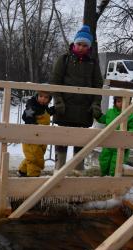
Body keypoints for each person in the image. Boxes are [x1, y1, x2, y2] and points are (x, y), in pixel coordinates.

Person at [50, 24, 103, 171]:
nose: (81, 47)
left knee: (81, 140)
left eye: (84, 45)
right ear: (74, 43)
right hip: (65, 108)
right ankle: (58, 169)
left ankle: (77, 171)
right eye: (79, 44)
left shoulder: (93, 63)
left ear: (89, 47)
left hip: (84, 110)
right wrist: (58, 102)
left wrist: (95, 104)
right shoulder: (64, 59)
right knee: (62, 139)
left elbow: (98, 85)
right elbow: (55, 81)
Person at [97, 97, 133, 176]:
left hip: (120, 146)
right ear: (115, 102)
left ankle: (113, 180)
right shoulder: (110, 112)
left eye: (124, 101)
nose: (121, 104)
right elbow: (104, 119)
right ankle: (103, 177)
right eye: (119, 101)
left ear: (129, 102)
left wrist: (126, 138)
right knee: (104, 162)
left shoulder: (132, 116)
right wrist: (98, 116)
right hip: (108, 144)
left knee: (116, 164)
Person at [18, 91, 55, 177]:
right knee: (35, 158)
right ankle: (33, 176)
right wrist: (34, 125)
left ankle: (23, 171)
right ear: (36, 96)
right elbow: (27, 117)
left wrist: (55, 109)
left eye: (46, 97)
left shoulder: (44, 107)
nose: (43, 99)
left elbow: (48, 112)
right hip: (31, 138)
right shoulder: (32, 106)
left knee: (34, 156)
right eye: (41, 96)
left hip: (41, 138)